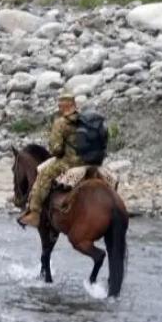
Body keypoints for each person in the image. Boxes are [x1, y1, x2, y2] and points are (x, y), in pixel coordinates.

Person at [17, 90, 104, 228]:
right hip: (90, 160)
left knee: (44, 174)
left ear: (64, 107)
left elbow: (56, 151)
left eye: (60, 106)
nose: (59, 109)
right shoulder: (84, 120)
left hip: (70, 162)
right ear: (74, 105)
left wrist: (57, 148)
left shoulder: (61, 123)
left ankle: (34, 213)